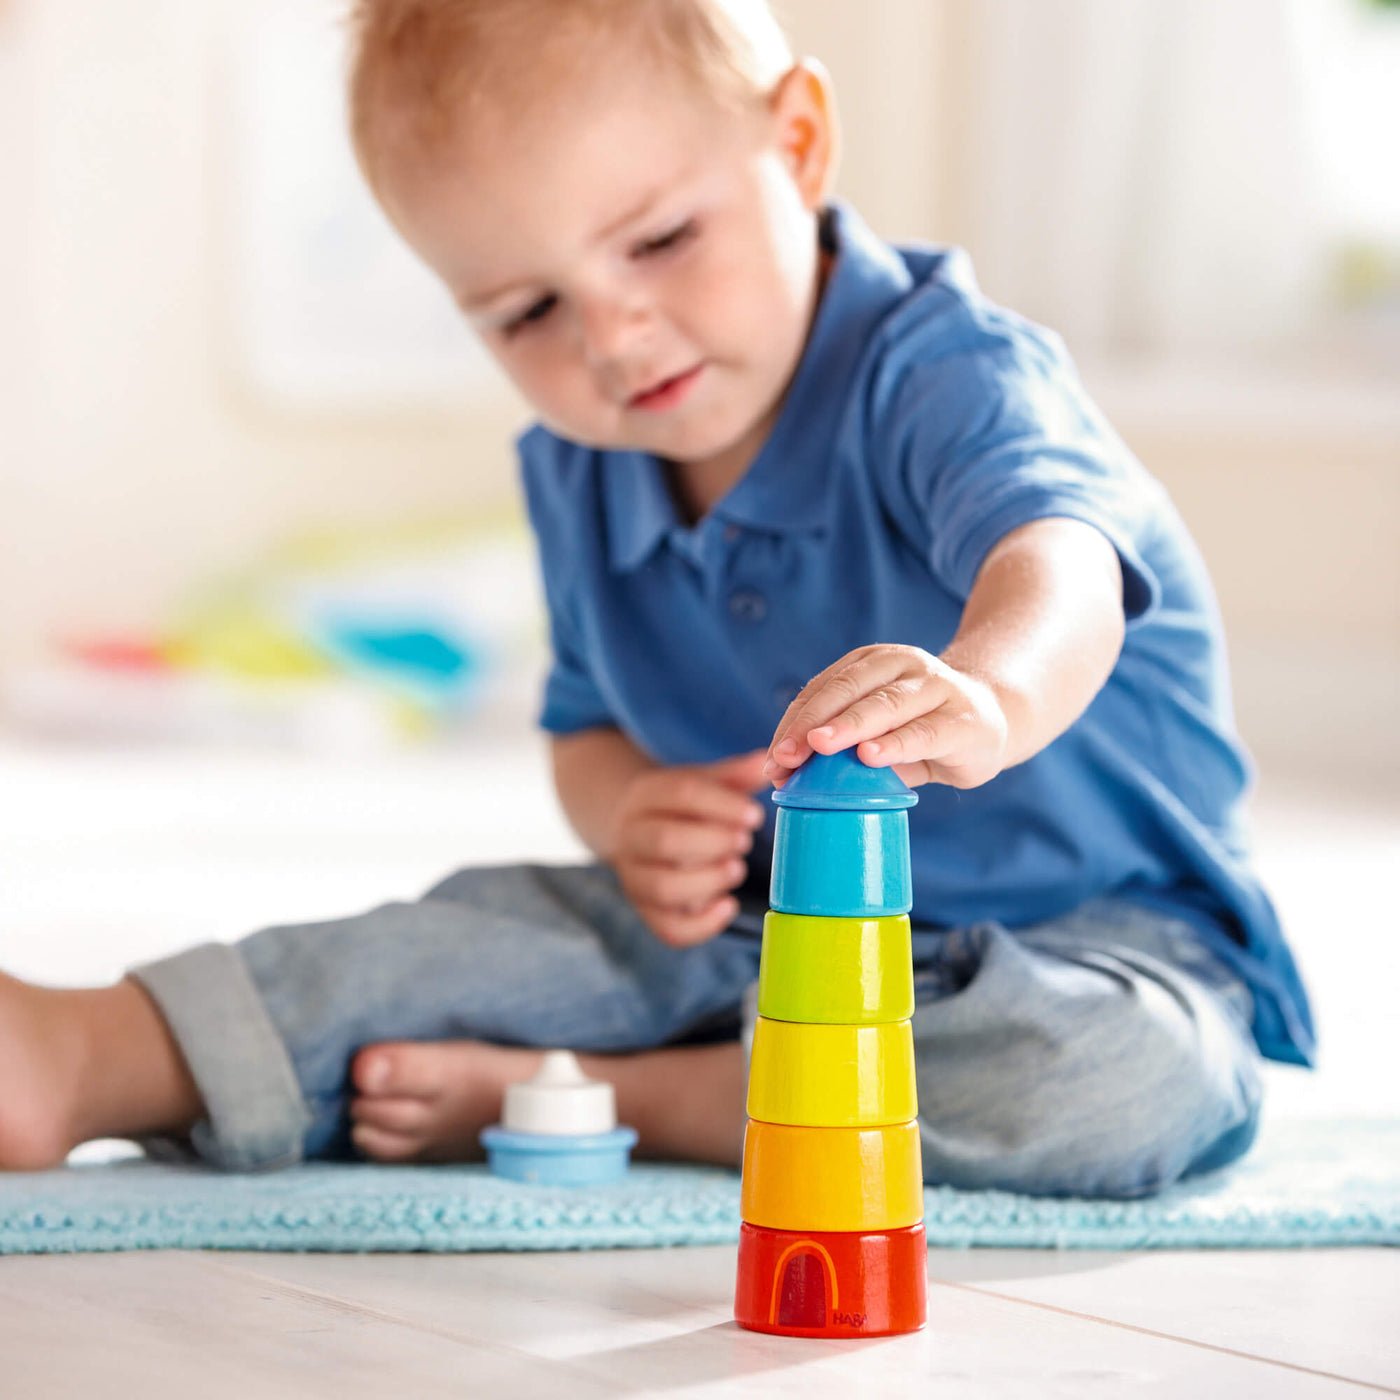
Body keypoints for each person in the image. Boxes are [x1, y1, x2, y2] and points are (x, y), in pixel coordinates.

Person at [0, 0, 1314, 1197]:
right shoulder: (580, 469)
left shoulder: (947, 373)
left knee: (1128, 1079)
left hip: (1093, 941)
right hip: (754, 935)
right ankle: (86, 1050)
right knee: (480, 941)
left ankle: (623, 1098)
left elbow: (1064, 555)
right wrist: (631, 812)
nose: (614, 336)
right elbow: (585, 723)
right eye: (527, 311)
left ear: (798, 144)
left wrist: (990, 687)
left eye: (661, 240)